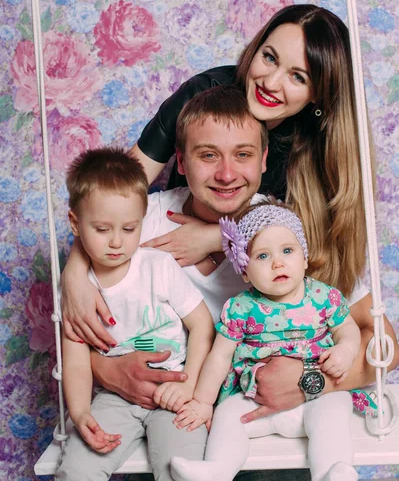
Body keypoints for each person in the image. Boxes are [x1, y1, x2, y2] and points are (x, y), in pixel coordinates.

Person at [62, 87, 399, 481]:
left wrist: (311, 380)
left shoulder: (287, 230)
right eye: (208, 155)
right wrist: (103, 365)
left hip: (281, 436)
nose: (226, 173)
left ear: (264, 159)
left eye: (243, 154)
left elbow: (386, 346)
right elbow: (93, 248)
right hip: (181, 421)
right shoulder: (139, 223)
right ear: (182, 162)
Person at [170, 201, 362, 481]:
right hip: (255, 399)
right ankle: (218, 469)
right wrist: (202, 402)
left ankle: (330, 471)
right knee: (226, 415)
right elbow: (220, 356)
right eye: (262, 256)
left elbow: (348, 329)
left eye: (287, 250)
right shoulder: (241, 307)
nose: (277, 262)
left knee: (334, 409)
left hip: (313, 398)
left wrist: (346, 349)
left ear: (305, 258)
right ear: (245, 271)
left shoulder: (324, 297)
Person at [55, 147, 215, 481]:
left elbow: (202, 326)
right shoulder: (78, 290)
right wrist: (81, 412)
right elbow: (75, 360)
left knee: (182, 471)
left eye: (129, 229)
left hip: (175, 392)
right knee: (75, 470)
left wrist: (192, 389)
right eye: (102, 229)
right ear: (75, 223)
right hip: (114, 399)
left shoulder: (158, 266)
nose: (116, 242)